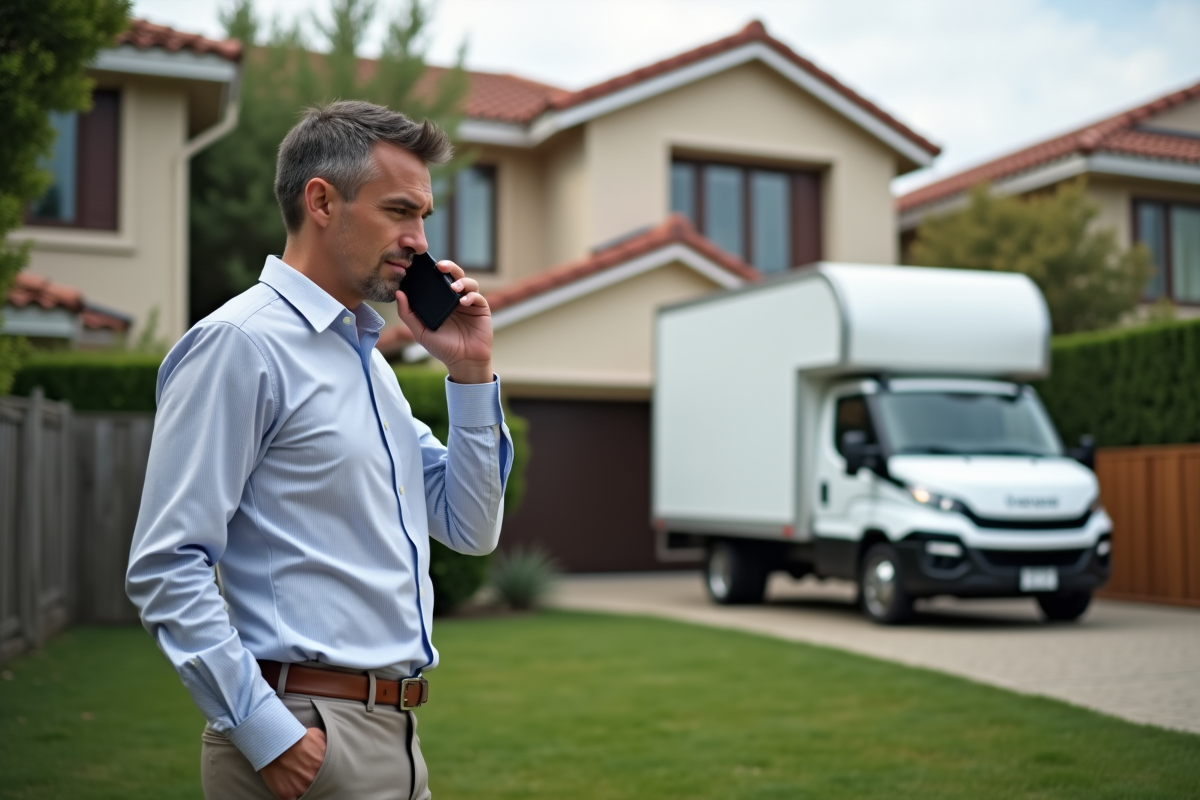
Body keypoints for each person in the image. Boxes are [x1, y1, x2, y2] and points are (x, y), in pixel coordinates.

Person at [126, 100, 512, 800]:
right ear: (322, 201)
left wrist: (471, 373)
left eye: (423, 216)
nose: (419, 240)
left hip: (395, 734)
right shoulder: (239, 345)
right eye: (400, 211)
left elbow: (471, 527)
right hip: (304, 736)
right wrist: (270, 735)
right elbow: (165, 564)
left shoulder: (371, 366)